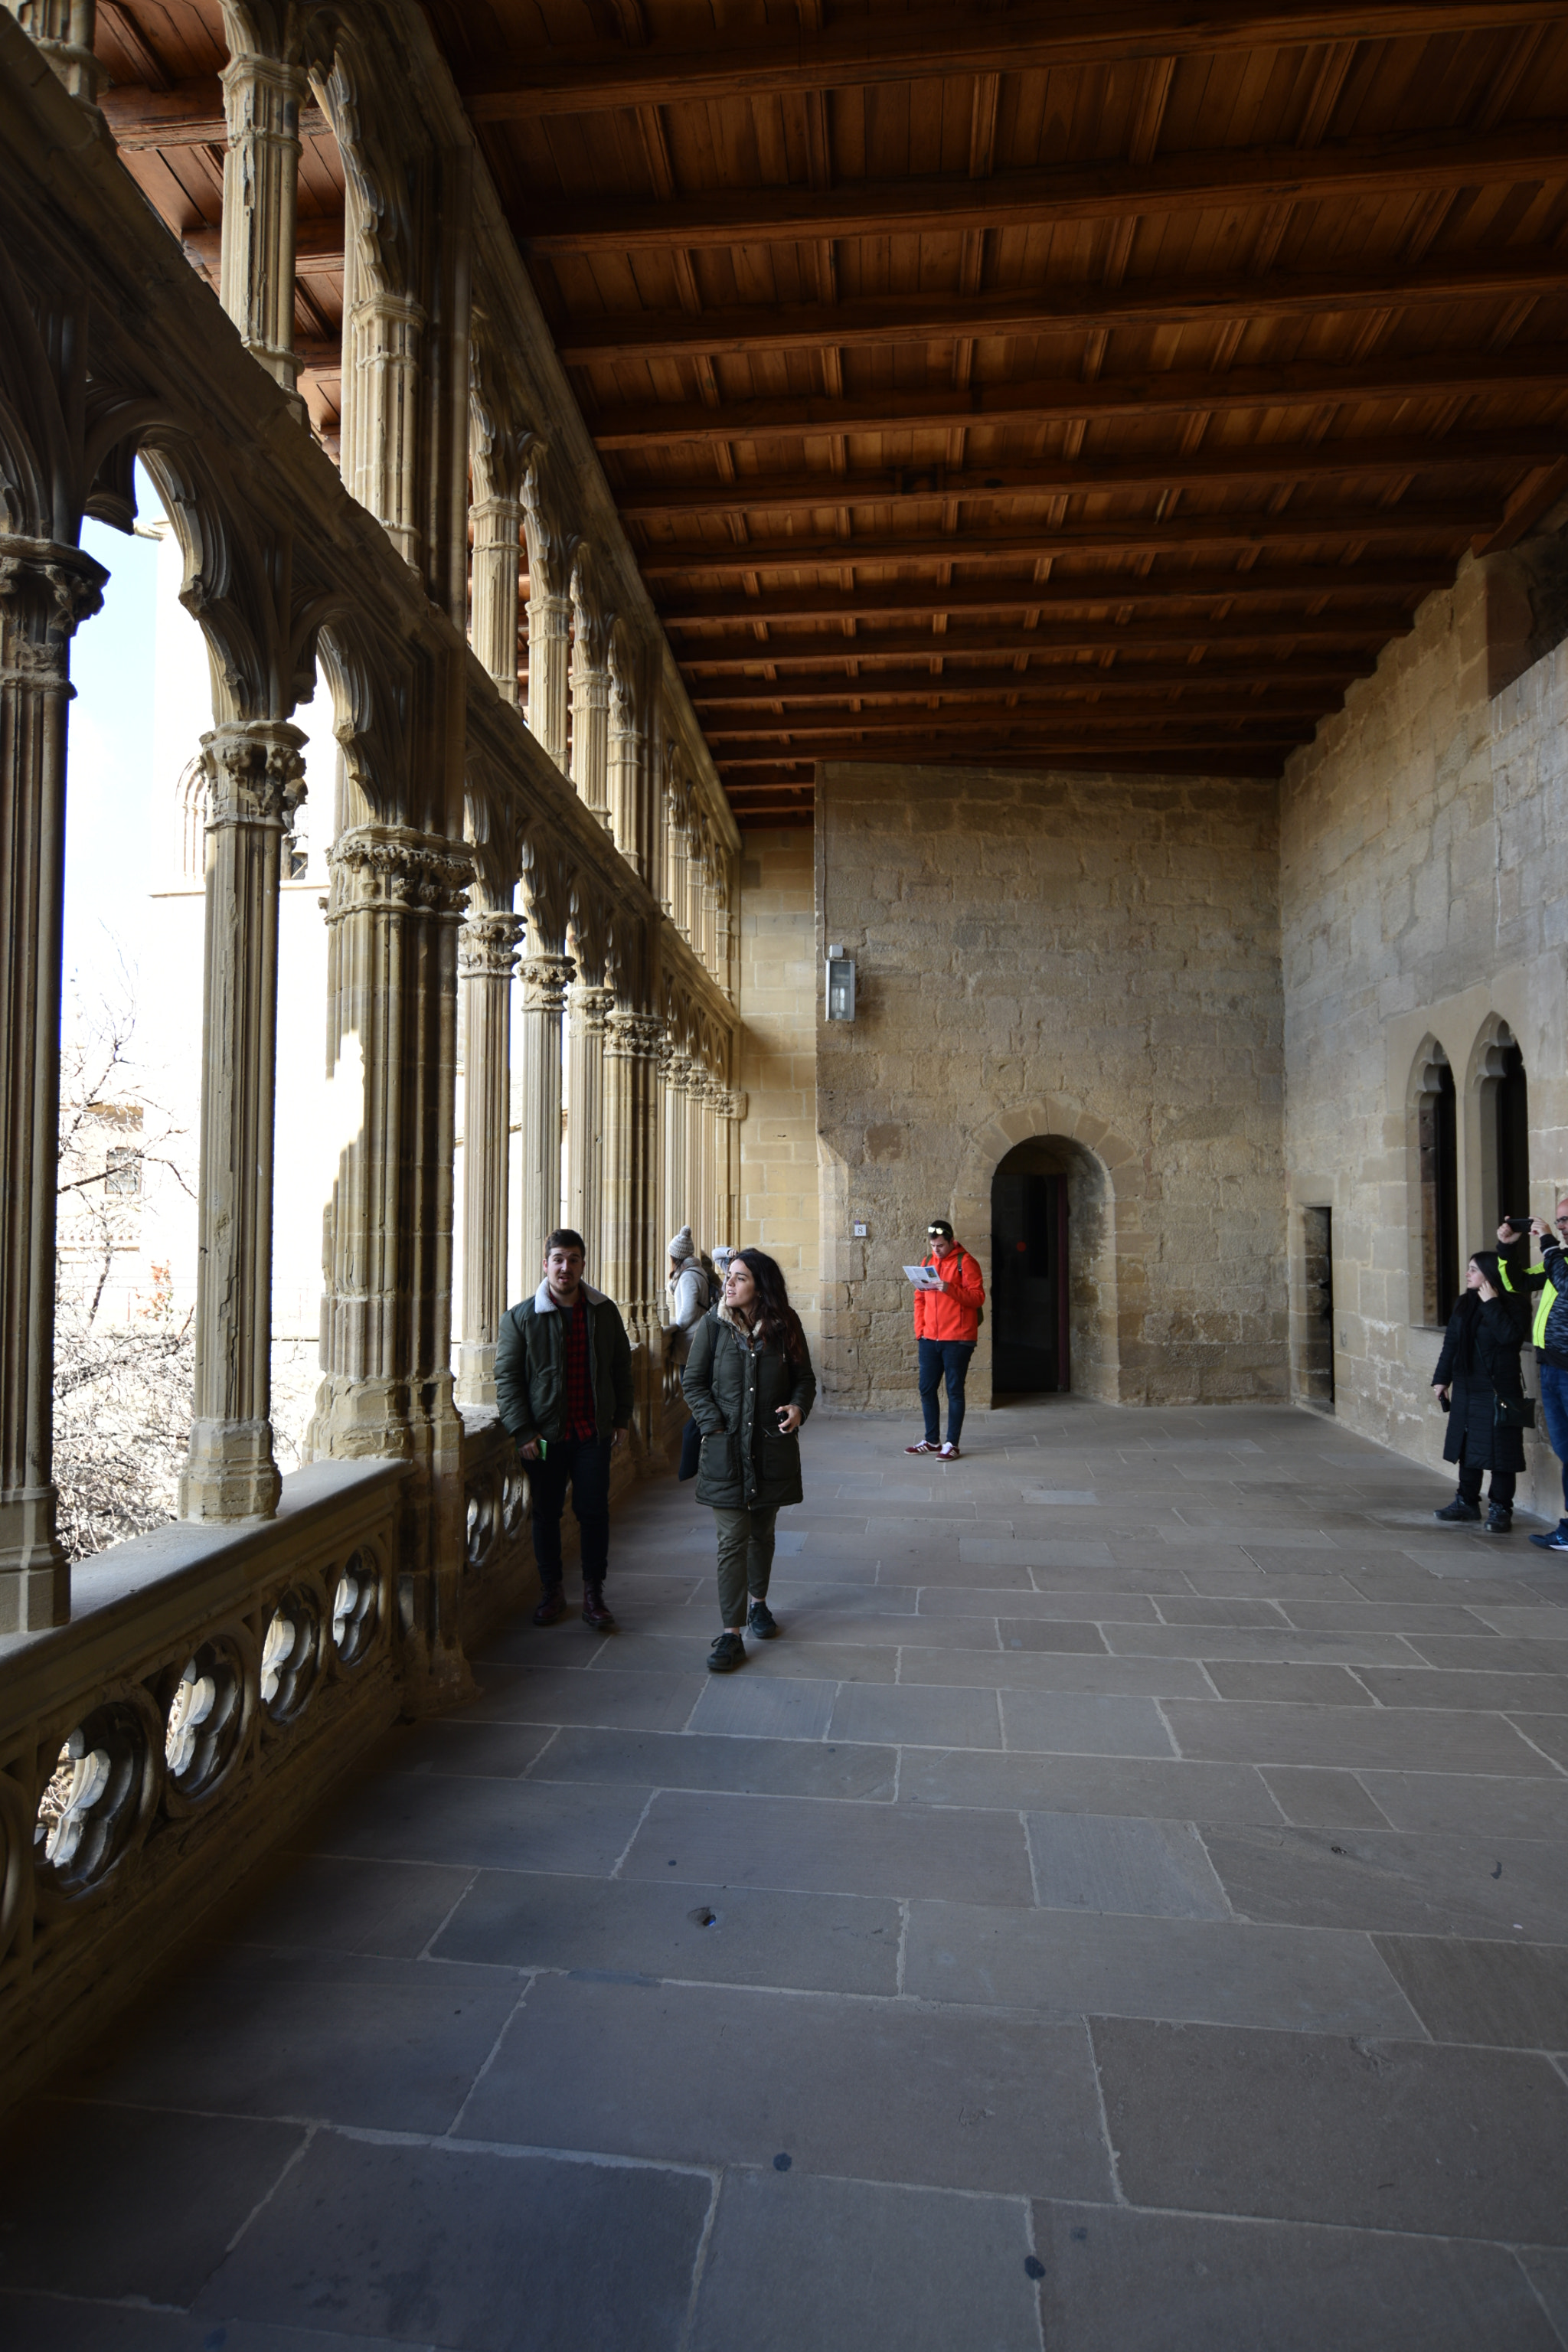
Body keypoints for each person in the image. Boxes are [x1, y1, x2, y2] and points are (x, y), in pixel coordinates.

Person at [681, 1246, 816, 1673]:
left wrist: (797, 1408)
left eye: (740, 1277)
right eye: (730, 1276)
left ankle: (758, 1604)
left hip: (770, 1448)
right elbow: (694, 1382)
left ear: (761, 1285)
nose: (730, 1283)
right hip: (725, 1450)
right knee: (731, 1541)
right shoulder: (713, 1325)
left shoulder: (785, 1325)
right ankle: (731, 1633)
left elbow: (805, 1380)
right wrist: (714, 1425)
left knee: (762, 1532)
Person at [494, 1228, 633, 1631]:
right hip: (546, 1438)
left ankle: (594, 1593)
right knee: (546, 1513)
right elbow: (507, 1379)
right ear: (545, 1264)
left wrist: (621, 1417)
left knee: (593, 1513)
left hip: (591, 1433)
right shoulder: (520, 1318)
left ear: (582, 1264)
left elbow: (620, 1368)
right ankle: (552, 1590)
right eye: (558, 1259)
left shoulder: (603, 1312)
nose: (565, 1267)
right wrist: (522, 1432)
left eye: (573, 1259)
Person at [1430, 1250, 1529, 1533]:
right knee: (1467, 1446)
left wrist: (1492, 1304)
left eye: (1473, 1269)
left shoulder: (1514, 1305)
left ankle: (1500, 1509)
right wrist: (1441, 1379)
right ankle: (1466, 1502)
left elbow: (1510, 1338)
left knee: (1502, 1452)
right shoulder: (1464, 1303)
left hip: (1499, 1389)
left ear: (1490, 1274)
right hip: (1468, 1387)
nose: (1467, 1274)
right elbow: (1451, 1343)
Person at [1496, 1199, 1568, 1553]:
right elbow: (1518, 1283)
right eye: (1559, 1221)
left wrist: (1549, 1243)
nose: (1562, 1225)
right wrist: (1506, 1249)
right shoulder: (1561, 1259)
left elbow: (1567, 1288)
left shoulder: (1560, 1259)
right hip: (1552, 1369)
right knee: (1567, 1452)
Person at [906, 1217, 985, 1461]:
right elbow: (920, 1299)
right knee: (926, 1389)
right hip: (930, 1337)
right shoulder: (927, 1262)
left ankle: (952, 1443)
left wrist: (948, 1287)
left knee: (954, 1390)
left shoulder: (966, 1262)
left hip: (958, 1339)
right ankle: (931, 1440)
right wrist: (920, 1330)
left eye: (940, 1245)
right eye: (933, 1246)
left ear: (951, 1241)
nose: (936, 1250)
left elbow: (978, 1298)